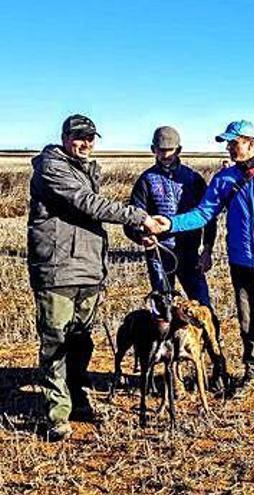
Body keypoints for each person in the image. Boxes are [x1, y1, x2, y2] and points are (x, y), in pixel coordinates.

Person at [145, 119, 254, 400]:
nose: (230, 149)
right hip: (241, 265)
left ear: (252, 142)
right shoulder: (225, 180)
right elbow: (203, 213)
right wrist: (169, 224)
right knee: (249, 324)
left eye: (234, 143)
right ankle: (252, 375)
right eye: (228, 144)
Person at [29, 115, 160, 441]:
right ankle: (57, 415)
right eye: (79, 137)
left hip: (88, 269)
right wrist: (139, 216)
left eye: (91, 138)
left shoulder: (87, 170)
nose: (86, 143)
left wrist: (138, 234)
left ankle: (77, 398)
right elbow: (88, 204)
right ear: (64, 137)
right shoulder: (51, 168)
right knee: (55, 343)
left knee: (80, 340)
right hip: (57, 270)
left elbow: (91, 219)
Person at [124, 126, 226, 388]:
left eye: (169, 150)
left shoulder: (193, 179)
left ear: (179, 150)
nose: (165, 155)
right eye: (160, 150)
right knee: (164, 315)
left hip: (190, 254)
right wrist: (141, 237)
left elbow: (208, 217)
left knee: (203, 311)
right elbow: (131, 220)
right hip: (159, 255)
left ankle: (217, 368)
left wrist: (208, 249)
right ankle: (172, 377)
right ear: (153, 151)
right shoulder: (145, 181)